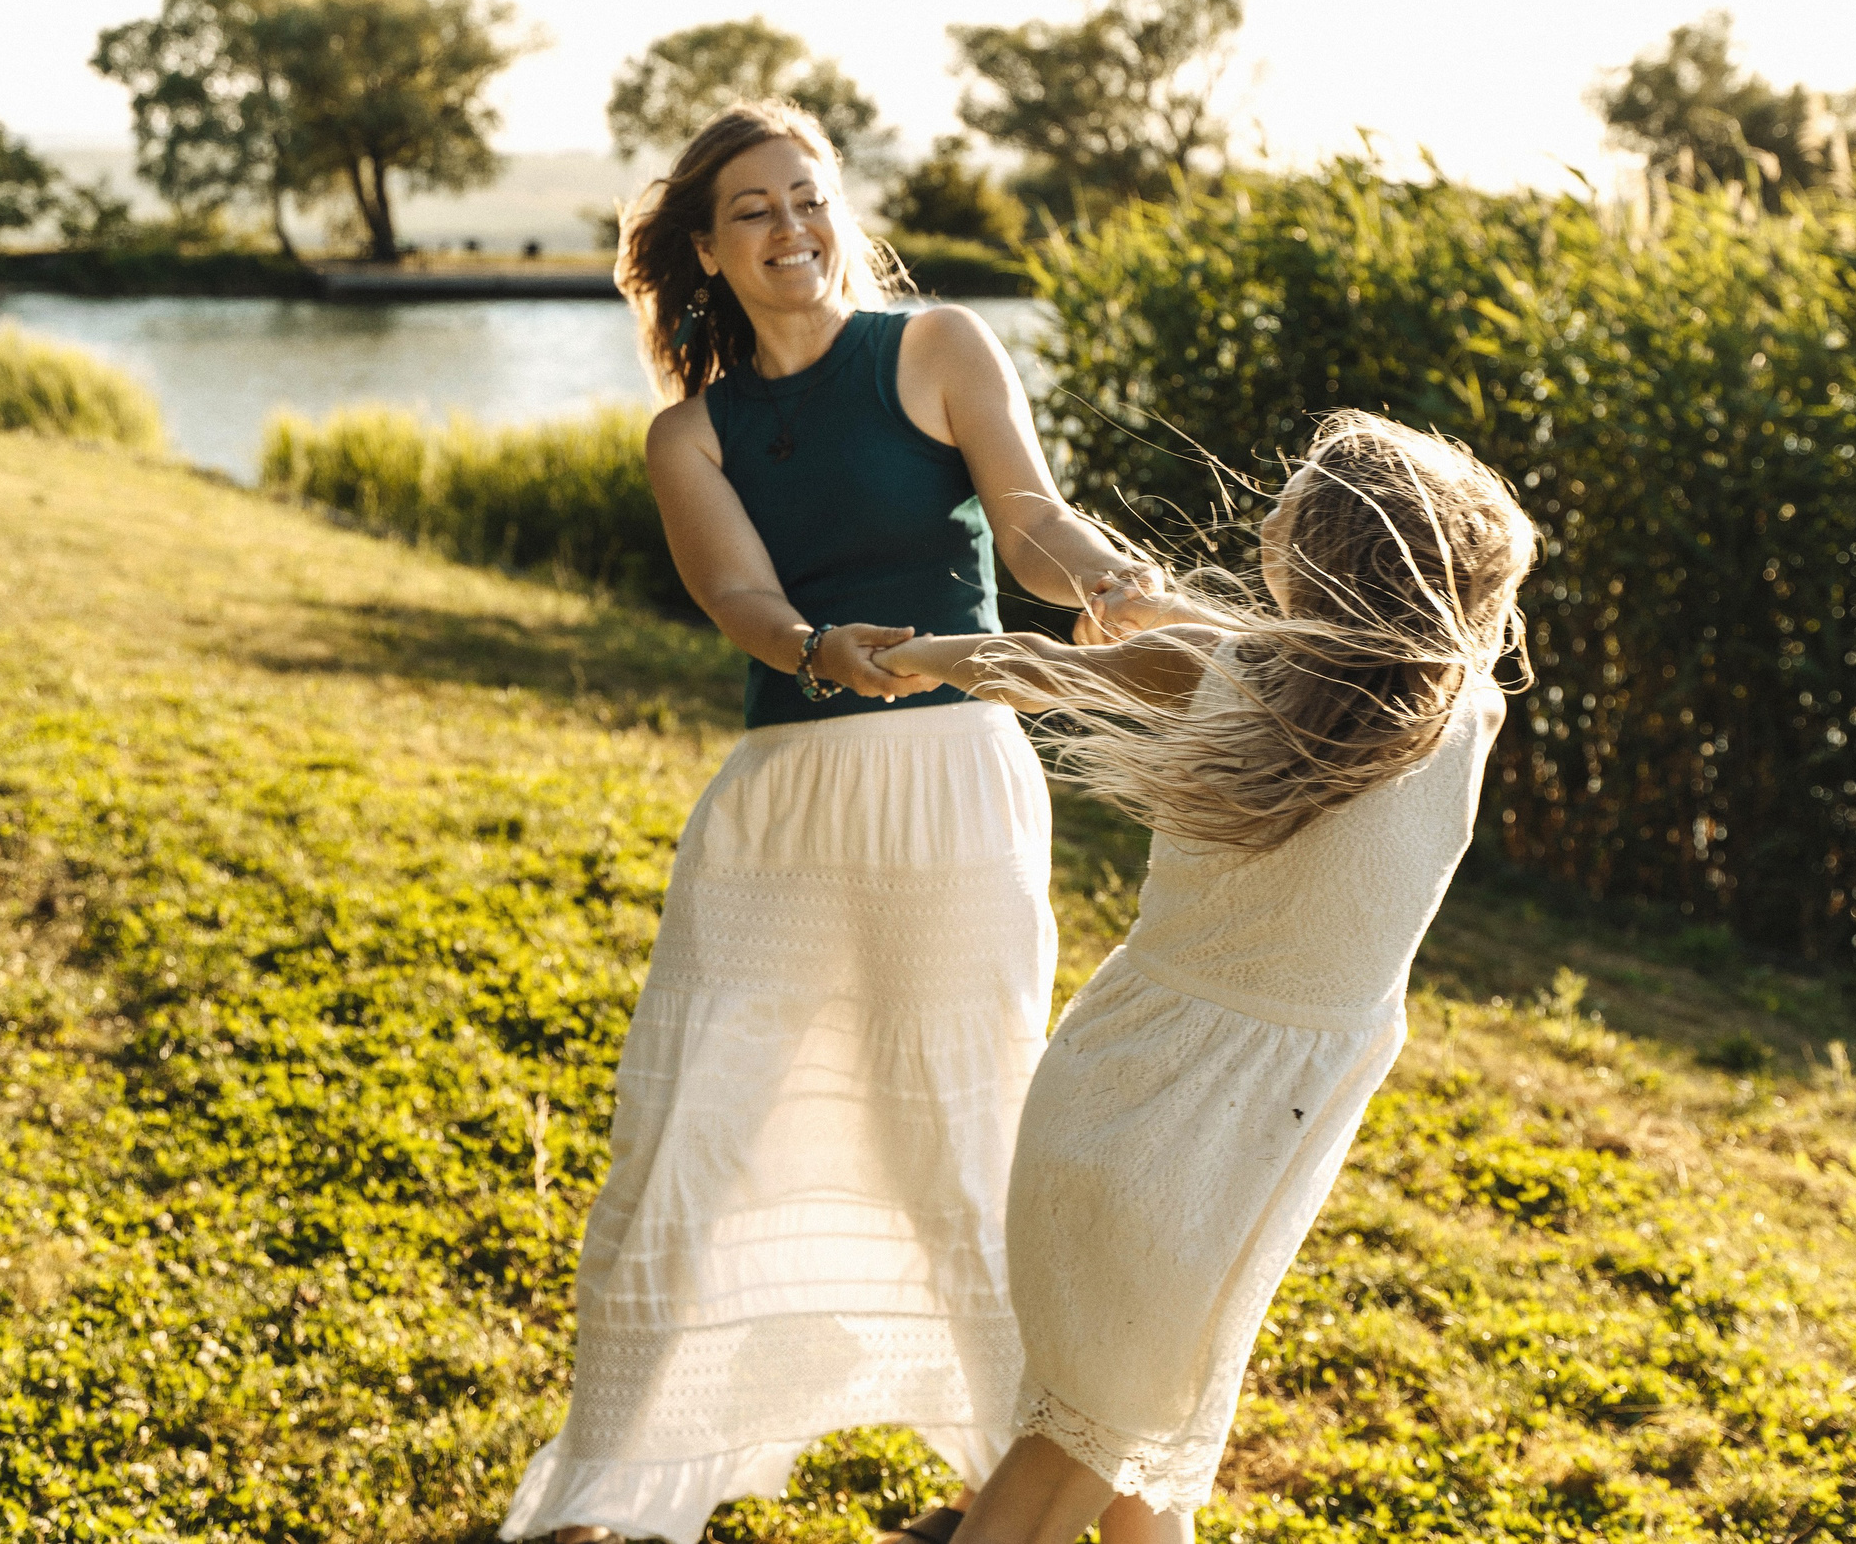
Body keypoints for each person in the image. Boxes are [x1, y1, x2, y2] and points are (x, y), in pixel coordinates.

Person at [498, 100, 1157, 1544]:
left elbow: (1034, 517)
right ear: (707, 253)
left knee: (966, 1118)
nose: (794, 228)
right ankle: (607, 1481)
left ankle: (1025, 1484)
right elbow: (738, 596)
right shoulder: (692, 434)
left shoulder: (935, 349)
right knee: (700, 1108)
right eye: (756, 211)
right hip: (784, 804)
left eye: (811, 199)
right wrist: (816, 647)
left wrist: (1118, 583)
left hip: (955, 785)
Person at [872, 412, 1536, 1544]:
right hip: (1252, 1135)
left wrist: (906, 655)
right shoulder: (1467, 711)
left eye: (1291, 502)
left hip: (1125, 1092)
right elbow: (1335, 660)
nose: (1267, 513)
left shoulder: (1226, 674)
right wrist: (1170, 616)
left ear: (1319, 552)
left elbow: (1033, 665)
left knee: (1121, 1453)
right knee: (1099, 1440)